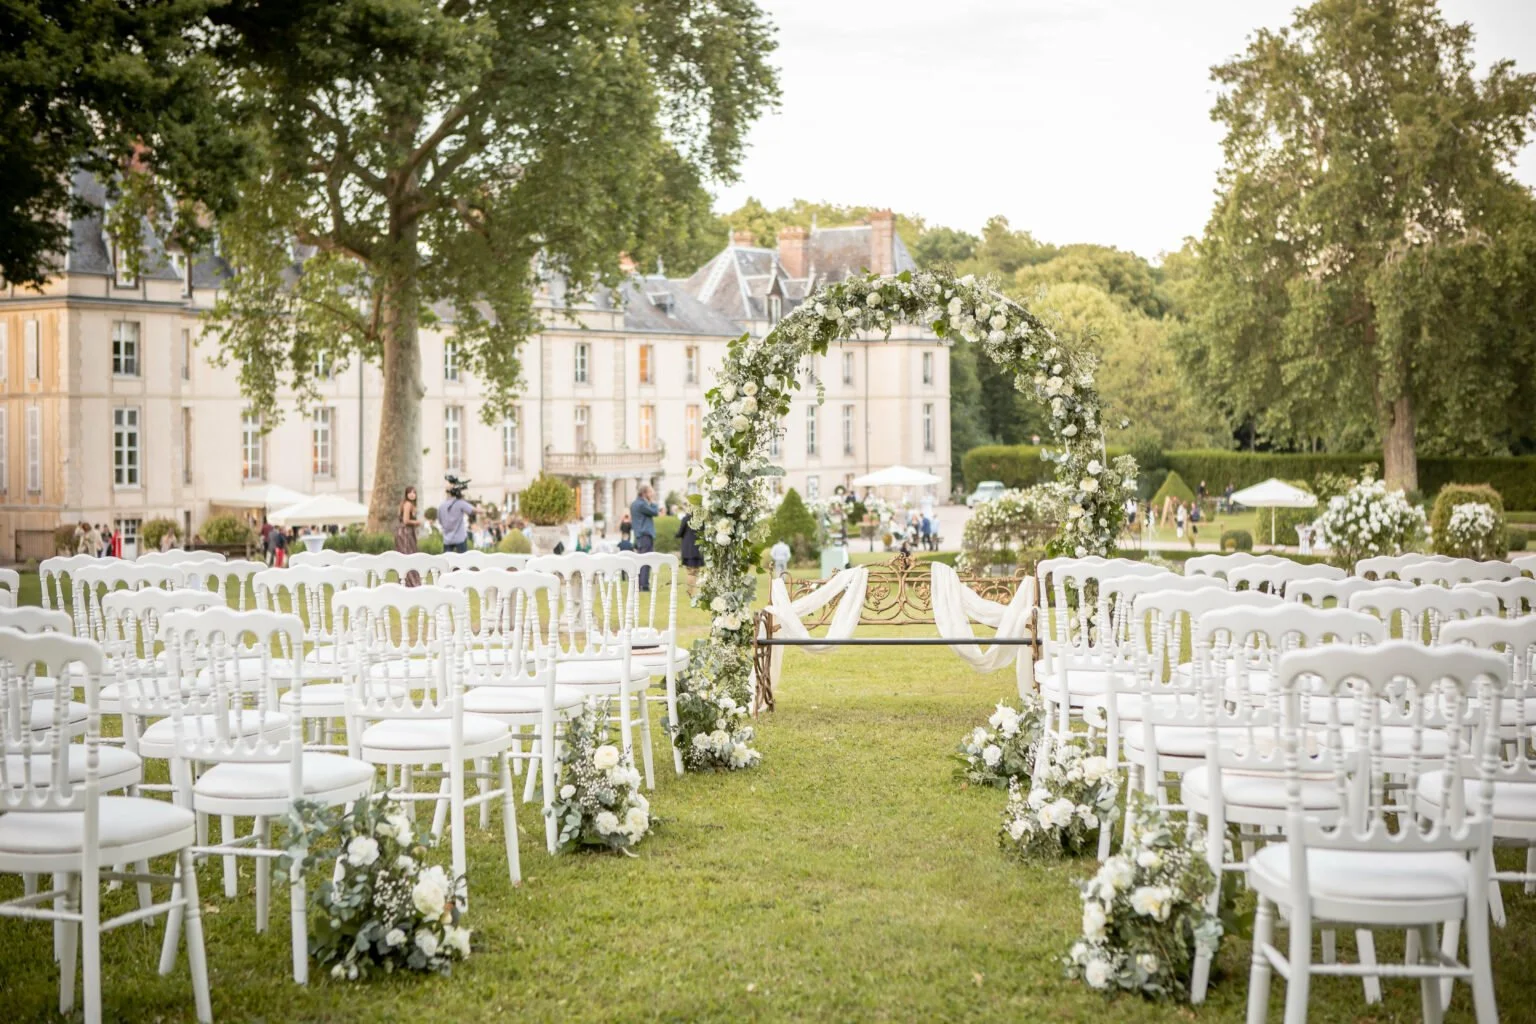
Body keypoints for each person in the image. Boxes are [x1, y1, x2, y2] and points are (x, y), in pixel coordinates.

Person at [630, 484, 660, 591]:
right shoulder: (642, 504)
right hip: (645, 535)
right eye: (650, 492)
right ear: (644, 493)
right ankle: (644, 585)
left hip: (639, 536)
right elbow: (655, 512)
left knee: (641, 561)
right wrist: (652, 501)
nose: (652, 494)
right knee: (646, 561)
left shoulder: (634, 504)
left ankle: (639, 584)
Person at [438, 477, 476, 554]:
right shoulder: (460, 503)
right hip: (460, 538)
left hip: (447, 539)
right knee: (463, 562)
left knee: (447, 562)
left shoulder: (441, 506)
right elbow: (473, 510)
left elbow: (440, 521)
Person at [677, 511, 703, 595]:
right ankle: (692, 591)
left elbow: (680, 533)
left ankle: (690, 591)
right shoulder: (701, 519)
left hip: (688, 549)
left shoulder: (686, 518)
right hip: (698, 548)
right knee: (696, 572)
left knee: (690, 572)